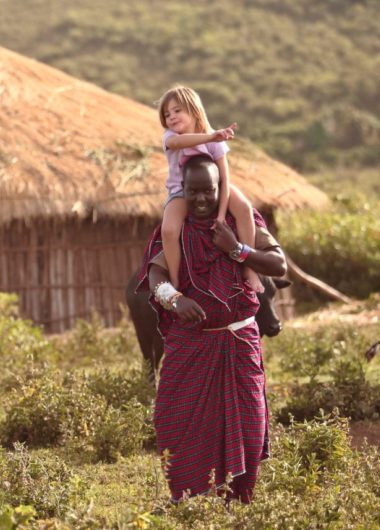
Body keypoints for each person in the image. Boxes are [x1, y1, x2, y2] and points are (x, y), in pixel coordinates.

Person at [136, 155, 287, 503]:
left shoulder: (240, 223)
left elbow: (277, 263)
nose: (201, 199)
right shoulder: (175, 230)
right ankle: (190, 502)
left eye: (209, 190)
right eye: (193, 191)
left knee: (249, 425)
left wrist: (236, 249)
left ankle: (239, 503)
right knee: (174, 422)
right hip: (190, 343)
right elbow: (155, 275)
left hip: (238, 341)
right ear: (182, 190)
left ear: (221, 190)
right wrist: (174, 299)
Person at [157, 85, 263, 293]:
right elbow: (179, 142)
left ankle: (250, 268)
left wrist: (222, 215)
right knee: (168, 230)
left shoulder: (216, 141)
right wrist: (211, 137)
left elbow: (225, 178)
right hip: (181, 192)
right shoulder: (170, 137)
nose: (171, 117)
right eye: (167, 114)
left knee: (243, 207)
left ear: (194, 110)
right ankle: (175, 280)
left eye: (177, 110)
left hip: (217, 188)